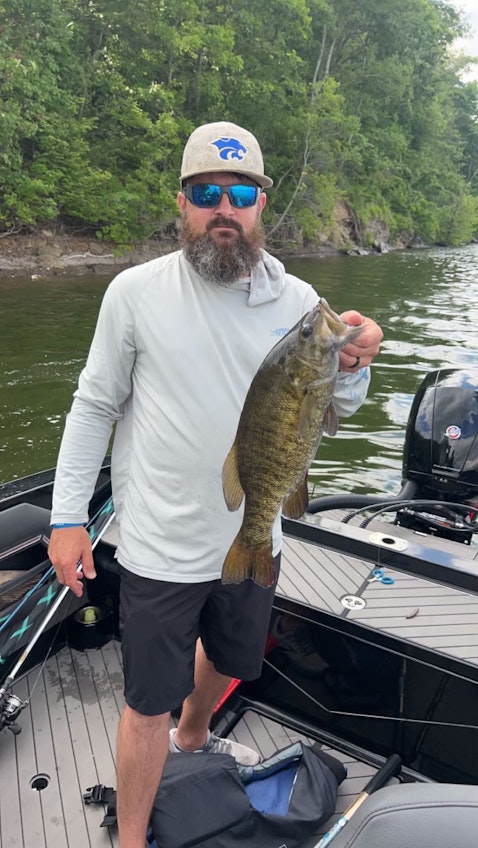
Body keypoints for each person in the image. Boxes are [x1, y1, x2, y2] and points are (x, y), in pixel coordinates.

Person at [48, 120, 383, 848]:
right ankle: (131, 840)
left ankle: (195, 737)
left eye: (240, 194)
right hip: (160, 544)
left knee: (229, 658)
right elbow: (94, 405)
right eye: (206, 194)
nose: (223, 209)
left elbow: (330, 412)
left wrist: (355, 366)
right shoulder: (135, 292)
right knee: (146, 704)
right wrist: (66, 517)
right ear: (183, 203)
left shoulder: (300, 301)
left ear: (262, 203)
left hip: (256, 529)